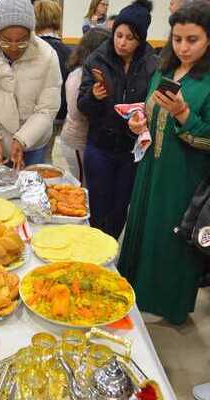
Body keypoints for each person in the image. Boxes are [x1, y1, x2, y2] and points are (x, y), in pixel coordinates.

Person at [118, 2, 210, 326]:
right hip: (151, 166)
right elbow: (149, 112)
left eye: (192, 39)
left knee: (169, 239)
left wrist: (184, 114)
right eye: (177, 38)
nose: (183, 47)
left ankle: (167, 304)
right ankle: (137, 295)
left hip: (184, 176)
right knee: (142, 226)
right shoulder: (165, 70)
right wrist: (138, 121)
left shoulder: (208, 81)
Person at [77, 0, 158, 239]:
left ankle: (110, 251)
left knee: (120, 207)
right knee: (97, 206)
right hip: (100, 146)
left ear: (140, 40)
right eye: (118, 35)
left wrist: (142, 118)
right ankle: (94, 249)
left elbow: (154, 105)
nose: (122, 42)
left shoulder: (152, 63)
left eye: (130, 38)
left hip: (131, 151)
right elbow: (83, 106)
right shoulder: (97, 59)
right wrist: (93, 96)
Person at [0, 0, 62, 170]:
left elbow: (47, 109)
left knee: (31, 189)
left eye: (22, 41)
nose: (14, 47)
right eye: (6, 41)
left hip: (33, 141)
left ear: (31, 34)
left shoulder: (47, 56)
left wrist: (22, 139)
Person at [60, 28, 110, 184]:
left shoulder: (97, 73)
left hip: (89, 142)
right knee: (83, 186)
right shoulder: (78, 75)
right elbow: (77, 112)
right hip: (77, 142)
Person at [34, 0, 71, 163]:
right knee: (46, 156)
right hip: (62, 114)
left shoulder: (34, 49)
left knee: (39, 160)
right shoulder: (68, 51)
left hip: (40, 114)